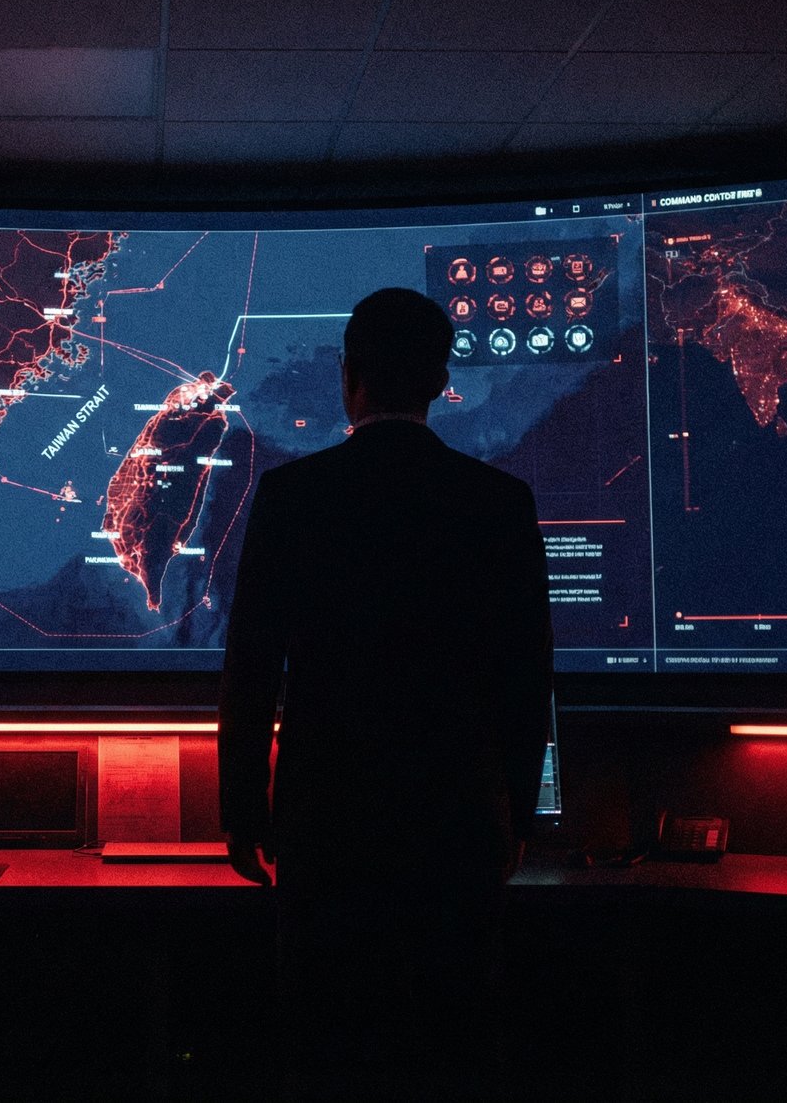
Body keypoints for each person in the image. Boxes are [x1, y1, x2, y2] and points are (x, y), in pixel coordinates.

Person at [217, 287, 553, 1099]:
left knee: (327, 1048)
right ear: (440, 380)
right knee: (453, 1046)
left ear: (349, 376)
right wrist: (514, 813)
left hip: (326, 830)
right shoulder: (499, 505)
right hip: (457, 827)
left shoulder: (293, 498)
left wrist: (244, 814)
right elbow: (525, 675)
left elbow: (251, 668)